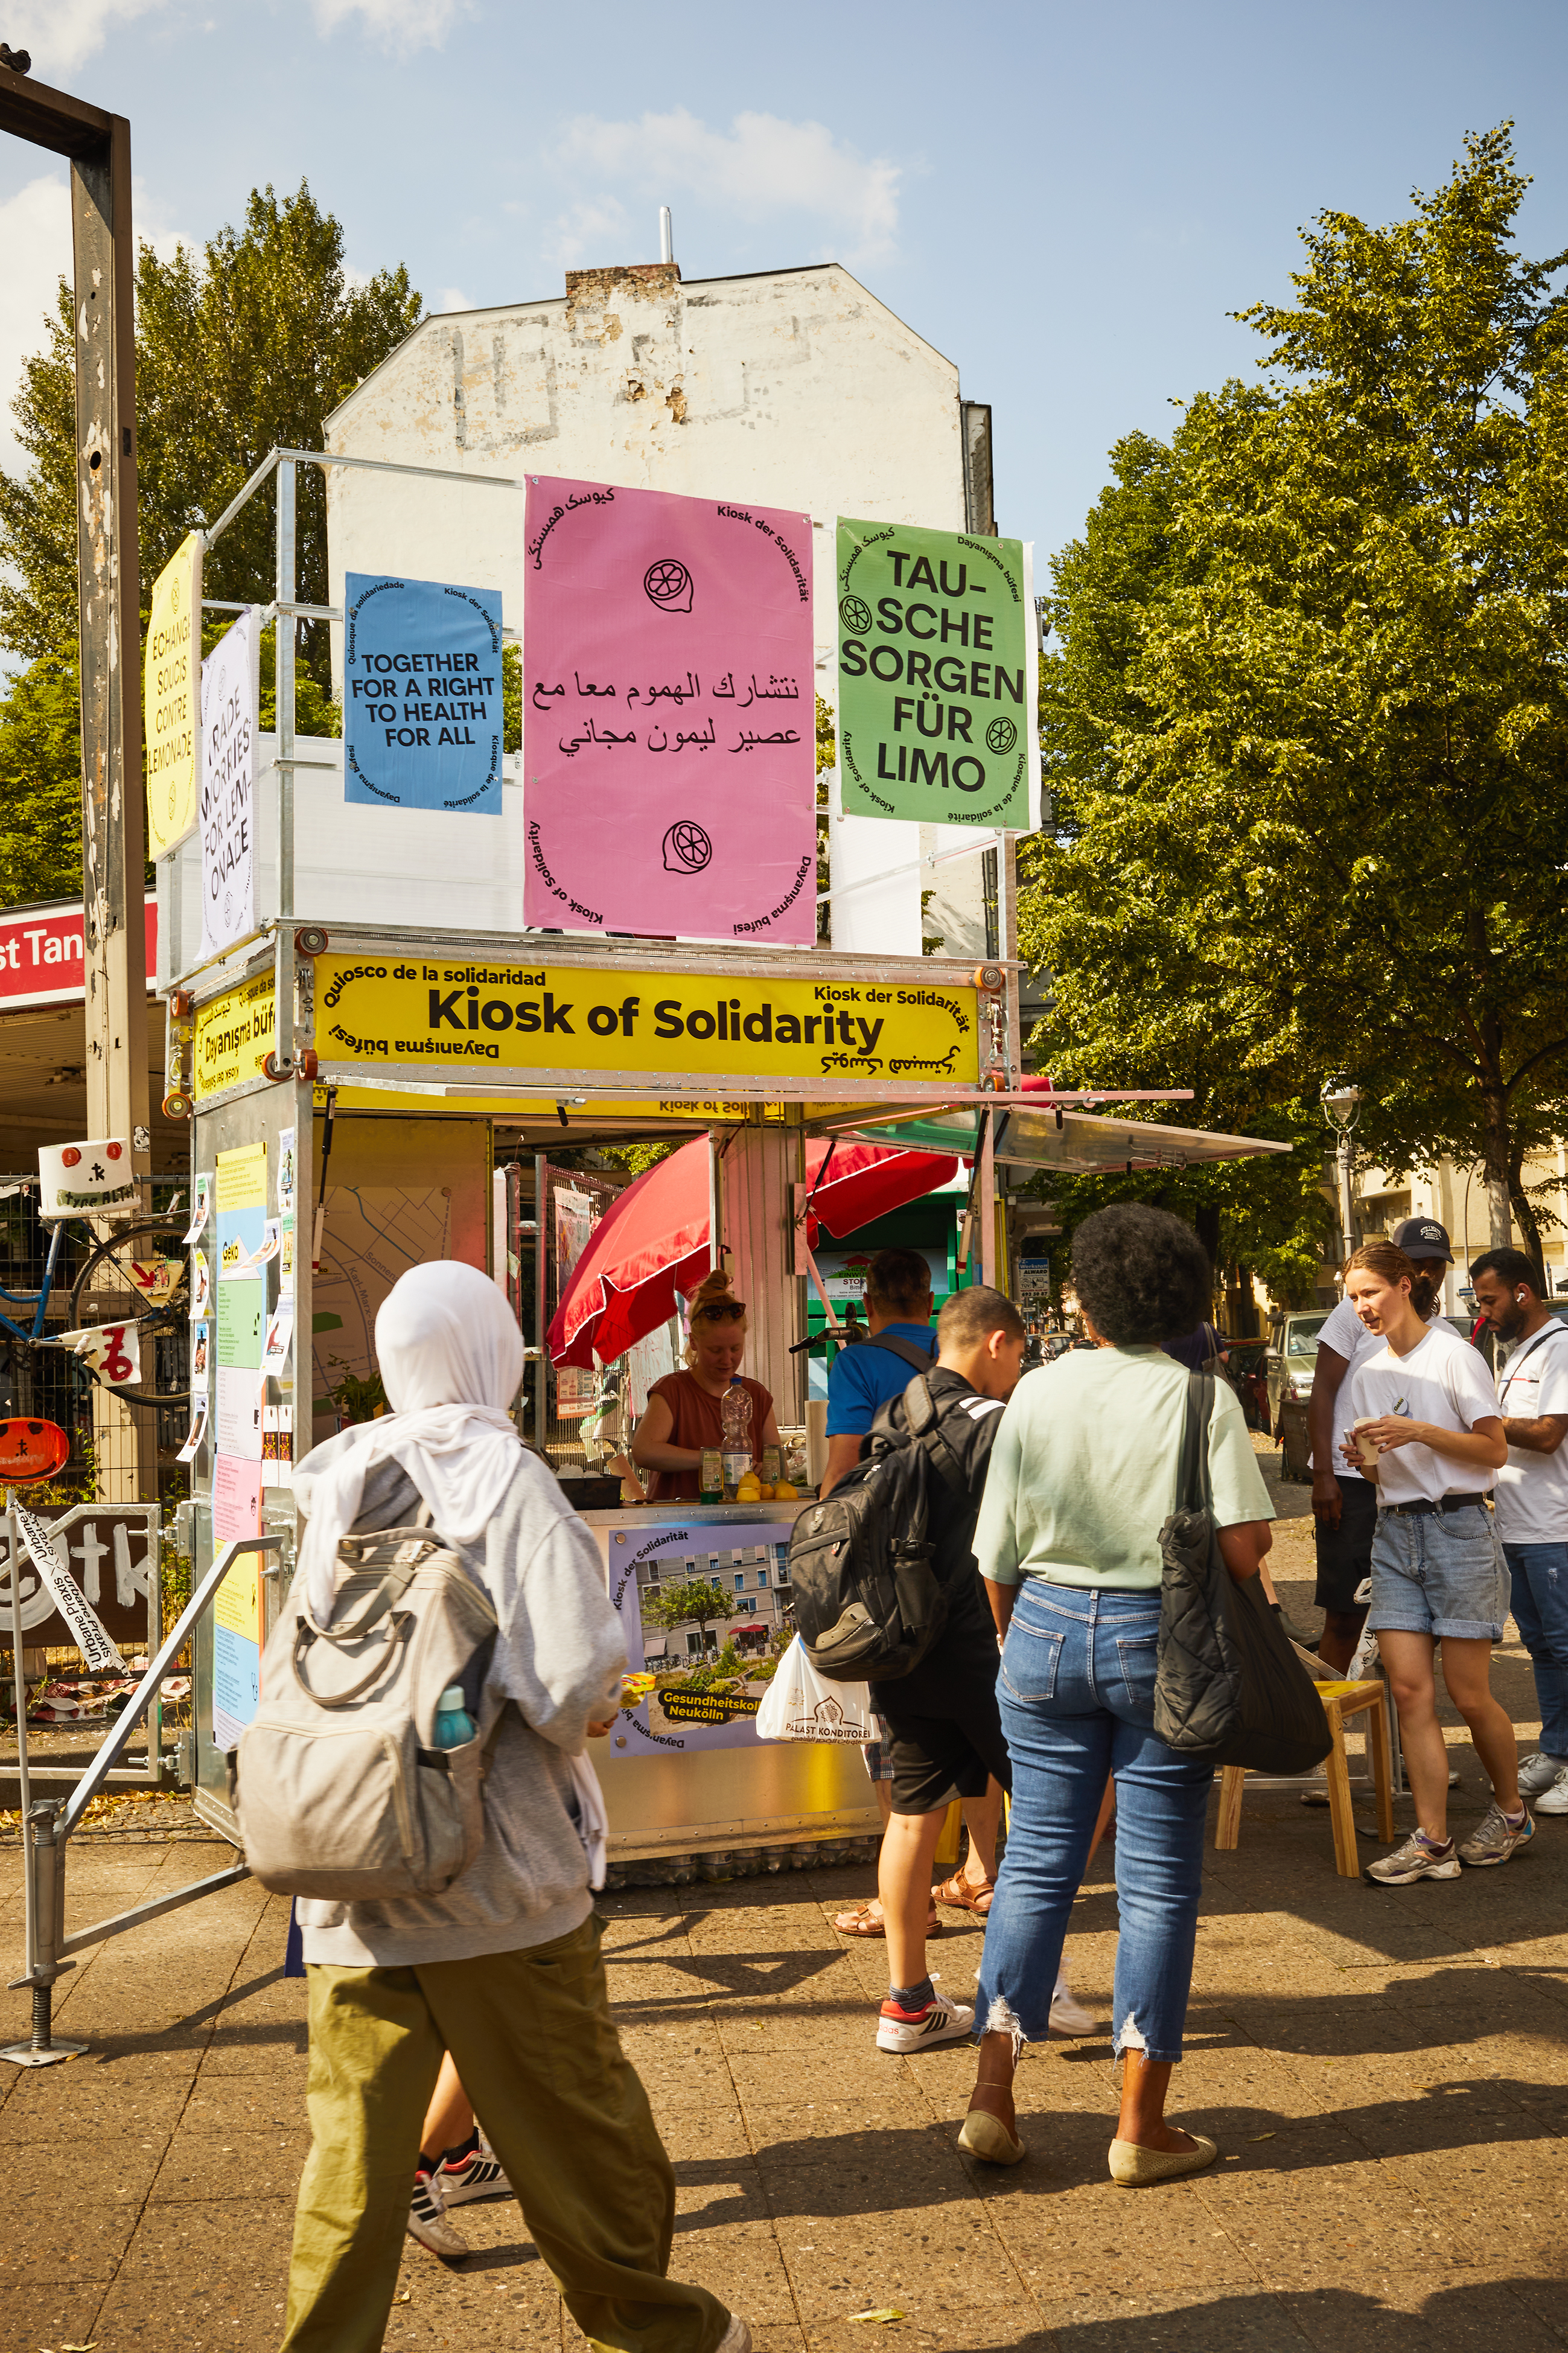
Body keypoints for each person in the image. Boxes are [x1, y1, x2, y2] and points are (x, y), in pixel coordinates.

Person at [281, 1259, 747, 2353]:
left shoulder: (335, 1477)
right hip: (499, 1875)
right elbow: (579, 1666)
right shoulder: (503, 1475)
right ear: (490, 1348)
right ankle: (659, 2329)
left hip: (350, 1871)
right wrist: (572, 1711)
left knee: (350, 2162)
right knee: (586, 2133)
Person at [958, 1203, 1274, 2179]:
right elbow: (1243, 1546)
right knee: (1155, 1882)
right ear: (1176, 1299)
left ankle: (990, 2093)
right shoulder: (1200, 1398)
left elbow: (993, 1552)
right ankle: (1138, 2124)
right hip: (1161, 1642)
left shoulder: (1036, 1395)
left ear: (1084, 1299)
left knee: (1034, 1865)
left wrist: (1021, 1636)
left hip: (1043, 1632)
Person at [847, 1285, 1025, 2053]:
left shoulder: (897, 1411)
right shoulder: (997, 1425)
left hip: (900, 1646)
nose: (1020, 1367)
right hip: (979, 1647)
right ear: (994, 1342)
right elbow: (1016, 1542)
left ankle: (906, 2004)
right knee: (1065, 1802)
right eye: (1019, 1351)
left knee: (914, 1814)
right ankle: (1029, 1981)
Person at [818, 1248, 1002, 1935]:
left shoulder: (858, 1364)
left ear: (869, 1302)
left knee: (903, 1751)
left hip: (900, 1586)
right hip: (977, 1574)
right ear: (931, 1299)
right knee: (989, 1740)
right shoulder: (970, 1352)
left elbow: (842, 1474)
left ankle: (910, 1903)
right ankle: (984, 1875)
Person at [1340, 1240, 1525, 1885]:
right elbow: (1374, 1468)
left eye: (1371, 1292)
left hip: (1460, 1528)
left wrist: (1417, 1430)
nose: (1363, 1306)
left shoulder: (1453, 1355)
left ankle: (1510, 1811)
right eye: (1354, 1296)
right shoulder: (1367, 1370)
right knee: (1411, 1691)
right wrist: (1364, 1454)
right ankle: (1434, 1841)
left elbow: (1494, 1450)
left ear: (1406, 1285)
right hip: (1395, 1533)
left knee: (1470, 1694)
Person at [1306, 1216, 1458, 1672]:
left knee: (1414, 1621)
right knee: (1345, 1618)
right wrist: (1323, 1475)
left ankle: (1401, 1716)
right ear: (1399, 1269)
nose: (1429, 1273)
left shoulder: (1446, 1336)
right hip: (1352, 1484)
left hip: (1411, 1492)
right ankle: (1332, 1730)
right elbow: (1323, 1393)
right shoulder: (1355, 1313)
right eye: (1419, 1262)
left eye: (1438, 1264)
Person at [1470, 1249, 1568, 1812]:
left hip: (1556, 1527)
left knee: (1564, 1646)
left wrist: (1483, 1423)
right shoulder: (1516, 1353)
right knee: (1542, 1647)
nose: (1484, 1313)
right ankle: (1557, 1751)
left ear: (1523, 1293)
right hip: (1518, 1527)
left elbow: (1550, 1433)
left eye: (1490, 1300)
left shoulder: (1559, 1349)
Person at [631, 1268, 782, 1502]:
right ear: (693, 1342)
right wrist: (713, 1458)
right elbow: (644, 1452)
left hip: (745, 1527)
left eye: (735, 1348)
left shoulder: (756, 1395)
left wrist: (768, 1471)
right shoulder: (673, 1390)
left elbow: (778, 1465)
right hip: (678, 1531)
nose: (727, 1359)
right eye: (716, 1350)